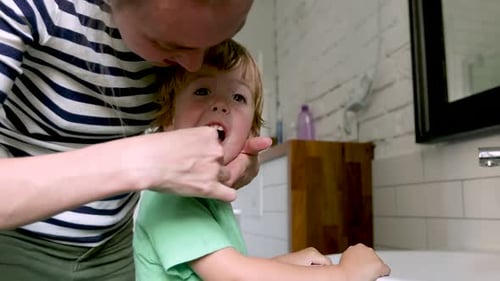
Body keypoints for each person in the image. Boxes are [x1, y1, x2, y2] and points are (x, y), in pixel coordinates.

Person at [0, 0, 272, 280]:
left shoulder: (189, 36)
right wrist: (141, 162)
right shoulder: (26, 9)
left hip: (113, 248)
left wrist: (242, 161)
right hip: (14, 241)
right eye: (168, 44)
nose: (193, 64)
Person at [134, 39, 391, 281]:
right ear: (168, 119)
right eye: (202, 90)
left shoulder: (205, 193)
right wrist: (344, 275)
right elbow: (233, 276)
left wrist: (284, 263)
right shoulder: (171, 196)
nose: (222, 104)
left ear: (251, 130)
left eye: (238, 97)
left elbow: (219, 267)